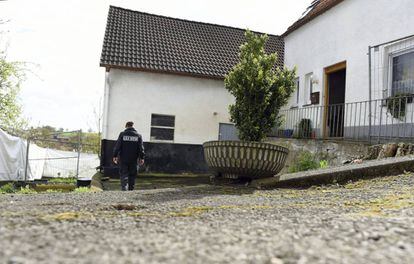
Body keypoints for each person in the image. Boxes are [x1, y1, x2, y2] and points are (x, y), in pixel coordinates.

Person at [112, 121, 145, 191]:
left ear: (126, 126)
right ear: (133, 126)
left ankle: (124, 189)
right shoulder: (138, 136)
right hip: (134, 160)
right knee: (132, 176)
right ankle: (131, 191)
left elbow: (117, 146)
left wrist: (115, 156)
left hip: (123, 159)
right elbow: (141, 148)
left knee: (124, 175)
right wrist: (142, 158)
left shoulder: (122, 134)